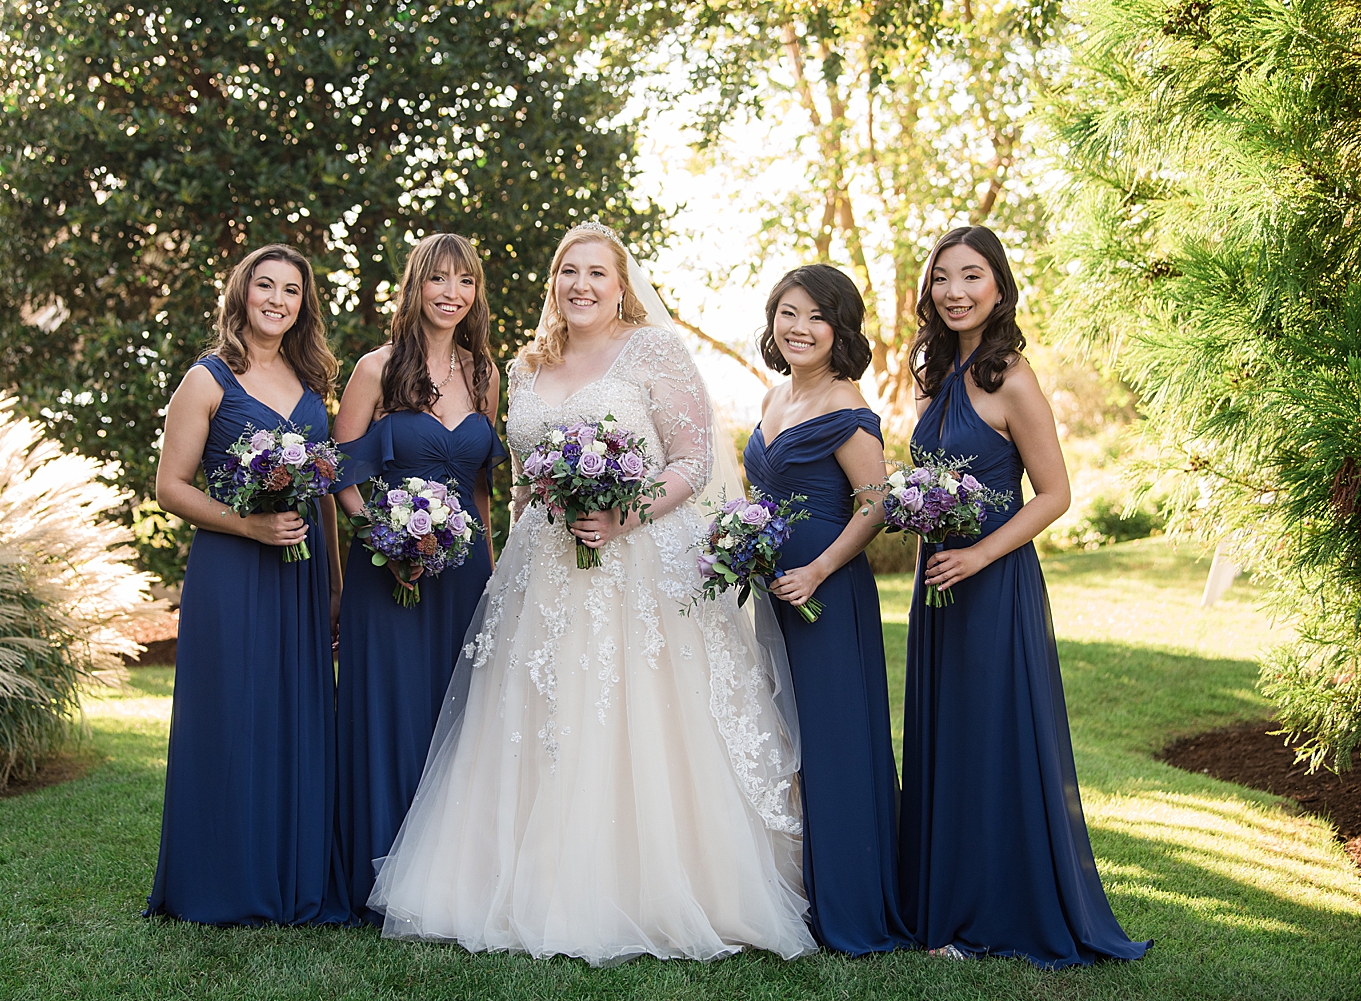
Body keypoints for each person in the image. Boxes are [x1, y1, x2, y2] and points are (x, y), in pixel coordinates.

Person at [366, 222, 816, 965]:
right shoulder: (521, 364)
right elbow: (515, 479)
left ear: (622, 284)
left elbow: (694, 457)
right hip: (541, 565)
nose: (581, 284)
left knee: (641, 719)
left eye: (596, 273)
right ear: (554, 282)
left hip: (637, 562)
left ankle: (657, 887)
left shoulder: (653, 352)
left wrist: (627, 511)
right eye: (567, 270)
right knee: (540, 718)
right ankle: (528, 882)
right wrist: (515, 543)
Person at [898, 225, 1150, 967]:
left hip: (994, 582)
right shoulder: (944, 373)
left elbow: (1056, 493)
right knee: (948, 737)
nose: (954, 291)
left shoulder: (1013, 377)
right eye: (942, 277)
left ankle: (993, 912)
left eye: (971, 276)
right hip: (938, 583)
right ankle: (943, 905)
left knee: (991, 737)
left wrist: (977, 552)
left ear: (999, 288)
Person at [145, 244, 348, 925]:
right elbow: (170, 486)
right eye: (266, 285)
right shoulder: (207, 378)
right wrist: (247, 526)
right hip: (233, 569)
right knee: (233, 716)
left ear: (302, 304)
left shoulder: (313, 381)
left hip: (305, 570)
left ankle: (293, 873)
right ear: (242, 292)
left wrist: (337, 584)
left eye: (292, 290)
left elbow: (324, 490)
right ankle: (224, 879)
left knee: (297, 715)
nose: (278, 300)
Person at [330, 233, 505, 923]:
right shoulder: (375, 368)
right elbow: (340, 474)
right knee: (390, 712)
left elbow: (482, 485)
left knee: (455, 717)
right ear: (417, 286)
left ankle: (446, 882)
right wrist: (386, 534)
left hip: (462, 574)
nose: (451, 292)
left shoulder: (484, 374)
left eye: (465, 280)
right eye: (439, 278)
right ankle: (374, 875)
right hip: (389, 570)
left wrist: (490, 572)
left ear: (475, 292)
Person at [743, 264, 912, 955]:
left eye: (816, 316)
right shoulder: (772, 396)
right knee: (784, 738)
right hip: (773, 591)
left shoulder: (847, 406)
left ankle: (849, 900)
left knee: (832, 740)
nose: (800, 327)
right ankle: (796, 887)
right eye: (788, 312)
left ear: (839, 328)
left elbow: (876, 505)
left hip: (826, 591)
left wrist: (816, 568)